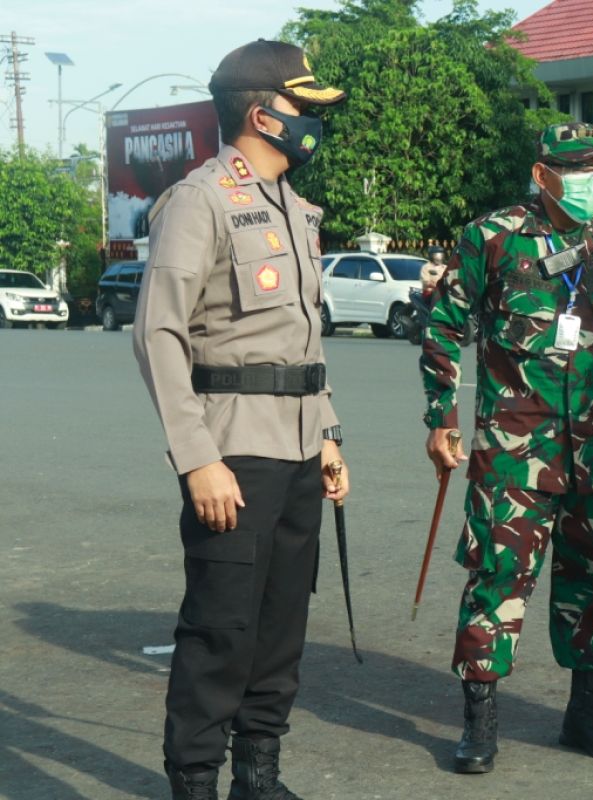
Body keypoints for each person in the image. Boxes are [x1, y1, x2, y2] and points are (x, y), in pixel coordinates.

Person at [132, 39, 349, 800]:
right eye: (304, 109)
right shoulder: (202, 200)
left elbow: (301, 339)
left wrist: (326, 435)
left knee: (281, 627)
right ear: (262, 114)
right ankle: (194, 780)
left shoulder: (295, 207)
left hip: (296, 449)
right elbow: (159, 332)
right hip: (232, 451)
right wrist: (197, 458)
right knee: (221, 630)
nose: (316, 122)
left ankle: (259, 775)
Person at [420, 121, 593, 775]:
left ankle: (585, 715)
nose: (592, 179)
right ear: (542, 174)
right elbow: (444, 327)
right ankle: (479, 724)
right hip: (513, 445)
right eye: (577, 167)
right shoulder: (491, 237)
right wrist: (439, 417)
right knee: (499, 578)